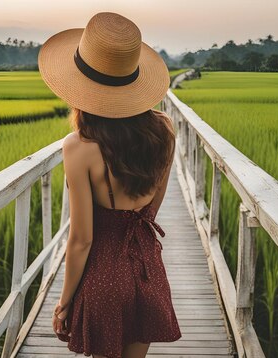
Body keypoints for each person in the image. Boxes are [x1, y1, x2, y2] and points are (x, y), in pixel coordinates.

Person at [38, 11, 181, 358]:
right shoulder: (165, 131)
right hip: (148, 269)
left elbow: (82, 238)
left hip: (103, 277)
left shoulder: (78, 147)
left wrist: (64, 301)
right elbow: (150, 211)